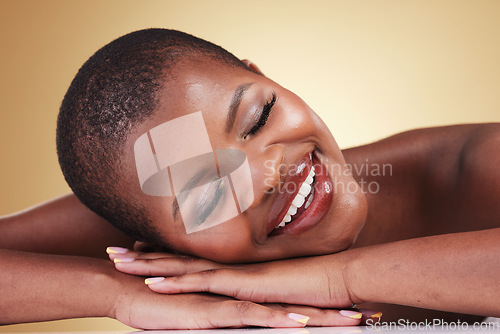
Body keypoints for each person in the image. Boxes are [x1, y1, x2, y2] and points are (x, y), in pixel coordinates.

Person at [1, 28, 499, 329]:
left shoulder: (475, 168)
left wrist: (337, 279)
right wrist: (116, 296)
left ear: (266, 78)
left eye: (258, 118)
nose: (267, 175)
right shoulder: (164, 252)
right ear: (163, 245)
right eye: (208, 191)